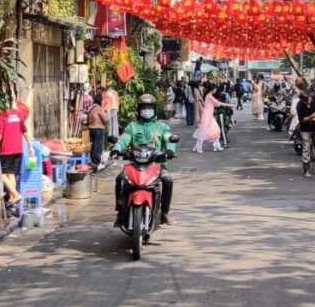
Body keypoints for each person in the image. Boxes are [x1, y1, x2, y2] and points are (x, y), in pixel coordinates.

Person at [111, 94, 177, 225]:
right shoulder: (132, 126)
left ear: (154, 109)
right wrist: (117, 148)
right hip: (135, 164)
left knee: (168, 180)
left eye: (149, 108)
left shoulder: (162, 127)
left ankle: (164, 213)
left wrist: (170, 150)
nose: (146, 111)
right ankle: (120, 212)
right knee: (120, 180)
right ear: (139, 110)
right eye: (144, 108)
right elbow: (124, 138)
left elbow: (169, 138)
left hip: (156, 165)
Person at [0, 101, 27, 215]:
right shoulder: (18, 114)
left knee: (1, 175)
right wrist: (30, 146)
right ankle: (12, 200)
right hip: (18, 149)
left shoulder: (2, 115)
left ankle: (16, 195)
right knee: (11, 174)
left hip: (6, 150)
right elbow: (25, 130)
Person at [296, 85, 315, 179]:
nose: (309, 101)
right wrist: (313, 115)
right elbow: (303, 119)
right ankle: (306, 169)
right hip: (305, 129)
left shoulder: (313, 96)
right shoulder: (299, 105)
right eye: (307, 101)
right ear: (302, 101)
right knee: (306, 147)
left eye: (309, 99)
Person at [192, 83, 223, 152]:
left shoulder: (208, 96)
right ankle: (198, 147)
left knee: (216, 130)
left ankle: (216, 145)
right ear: (212, 89)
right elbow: (217, 104)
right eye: (215, 89)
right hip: (207, 116)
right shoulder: (209, 96)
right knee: (203, 131)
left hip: (209, 116)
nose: (216, 90)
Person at [84, 92, 107, 169]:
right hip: (98, 128)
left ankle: (93, 162)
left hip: (91, 128)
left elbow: (87, 118)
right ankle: (97, 163)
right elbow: (104, 119)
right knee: (98, 146)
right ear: (100, 100)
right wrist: (105, 119)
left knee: (93, 146)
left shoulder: (90, 108)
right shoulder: (99, 108)